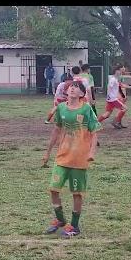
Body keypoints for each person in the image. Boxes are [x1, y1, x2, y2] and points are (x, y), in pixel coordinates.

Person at [42, 80, 101, 238]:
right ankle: (60, 220)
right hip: (62, 156)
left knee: (77, 193)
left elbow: (94, 132)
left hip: (79, 158)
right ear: (66, 91)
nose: (73, 88)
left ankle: (74, 226)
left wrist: (92, 153)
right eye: (71, 87)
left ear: (82, 94)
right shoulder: (61, 108)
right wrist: (47, 152)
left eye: (77, 87)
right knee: (53, 189)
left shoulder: (86, 109)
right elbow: (56, 130)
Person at [98, 64, 131, 129]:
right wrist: (110, 95)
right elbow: (109, 87)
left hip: (110, 99)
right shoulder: (113, 79)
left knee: (107, 113)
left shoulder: (115, 79)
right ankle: (115, 121)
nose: (121, 72)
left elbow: (121, 85)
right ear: (116, 71)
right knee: (125, 108)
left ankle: (96, 123)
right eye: (120, 70)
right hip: (113, 99)